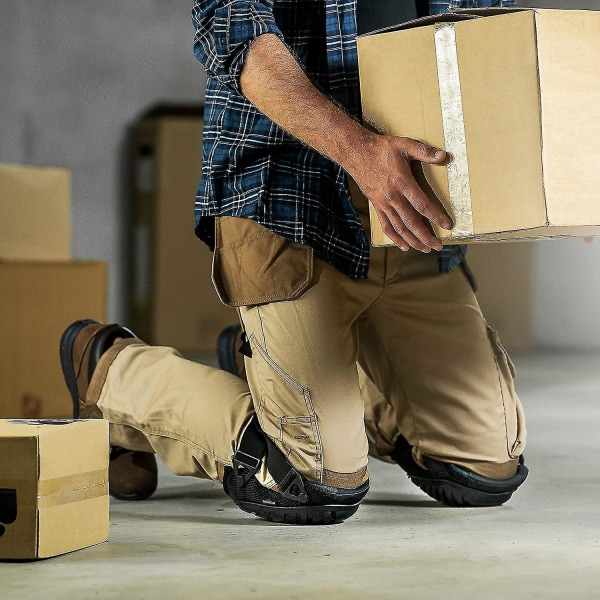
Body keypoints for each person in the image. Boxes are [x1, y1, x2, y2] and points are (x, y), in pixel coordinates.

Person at [60, 0, 527, 525]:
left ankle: (272, 378)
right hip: (289, 198)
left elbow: (497, 38)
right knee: (308, 478)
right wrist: (360, 152)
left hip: (413, 208)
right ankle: (109, 372)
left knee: (485, 468)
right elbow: (238, 33)